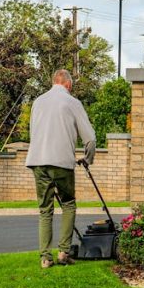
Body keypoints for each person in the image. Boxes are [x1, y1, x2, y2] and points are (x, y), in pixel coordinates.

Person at [25, 68, 96, 268]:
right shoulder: (72, 102)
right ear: (68, 84)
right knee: (68, 203)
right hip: (62, 162)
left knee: (45, 209)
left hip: (38, 161)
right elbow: (90, 139)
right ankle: (64, 252)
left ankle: (45, 258)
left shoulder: (38, 102)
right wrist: (88, 159)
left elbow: (34, 133)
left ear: (53, 82)